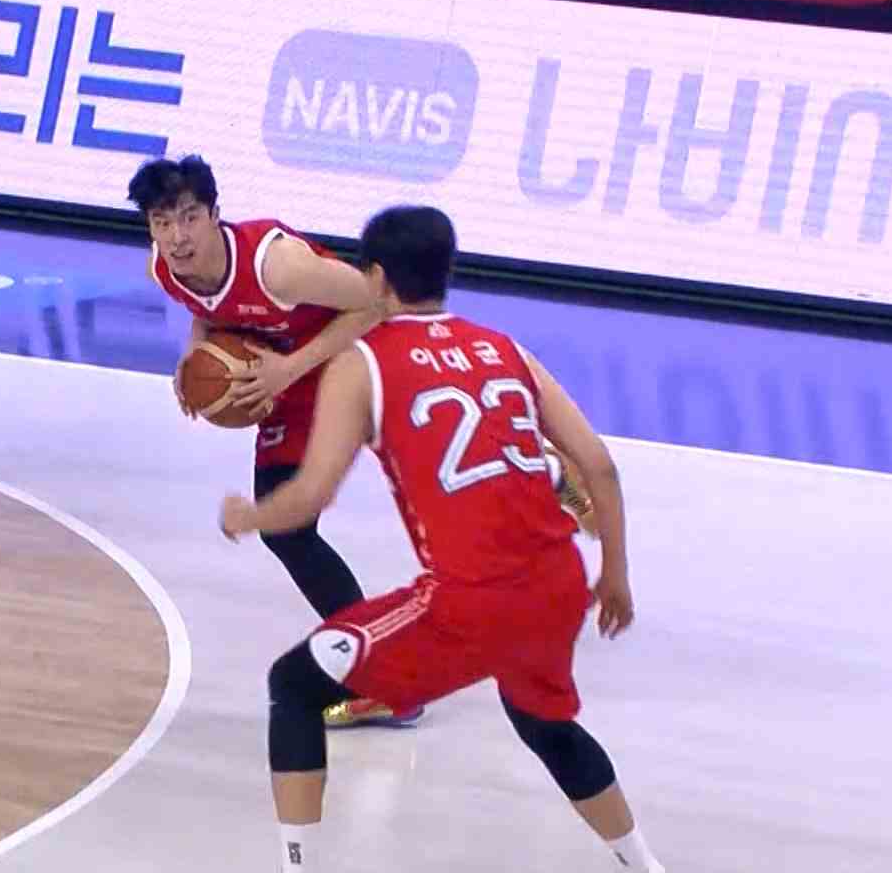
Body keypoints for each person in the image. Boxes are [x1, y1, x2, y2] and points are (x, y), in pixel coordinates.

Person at [218, 205, 666, 873]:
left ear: (374, 279)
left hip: (470, 599)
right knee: (544, 724)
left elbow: (311, 495)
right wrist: (616, 574)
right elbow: (599, 465)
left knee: (295, 685)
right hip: (560, 584)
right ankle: (645, 865)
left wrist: (248, 516)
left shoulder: (362, 364)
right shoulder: (505, 348)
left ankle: (296, 867)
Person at [130, 155, 419, 729]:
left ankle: (551, 478)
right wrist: (195, 354)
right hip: (293, 376)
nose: (177, 236)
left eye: (189, 218)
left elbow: (378, 301)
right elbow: (206, 310)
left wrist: (289, 369)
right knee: (286, 530)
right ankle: (387, 679)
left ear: (215, 214)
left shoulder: (278, 268)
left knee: (444, 483)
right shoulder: (165, 269)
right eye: (162, 223)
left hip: (362, 354)